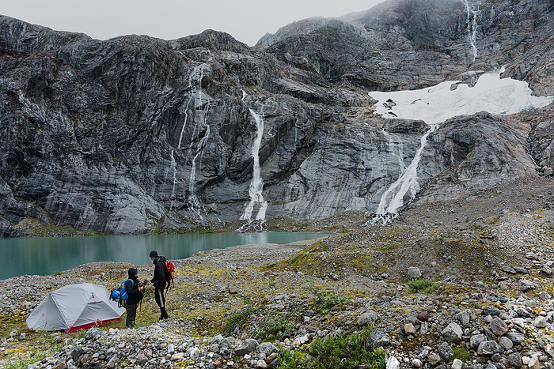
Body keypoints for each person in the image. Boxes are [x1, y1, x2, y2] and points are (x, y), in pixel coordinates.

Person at [148, 250, 169, 319]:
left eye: (151, 257)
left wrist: (155, 285)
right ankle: (163, 314)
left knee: (160, 298)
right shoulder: (160, 261)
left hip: (160, 285)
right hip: (160, 283)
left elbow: (161, 275)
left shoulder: (158, 264)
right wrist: (151, 281)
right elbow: (157, 276)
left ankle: (164, 314)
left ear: (152, 257)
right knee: (158, 298)